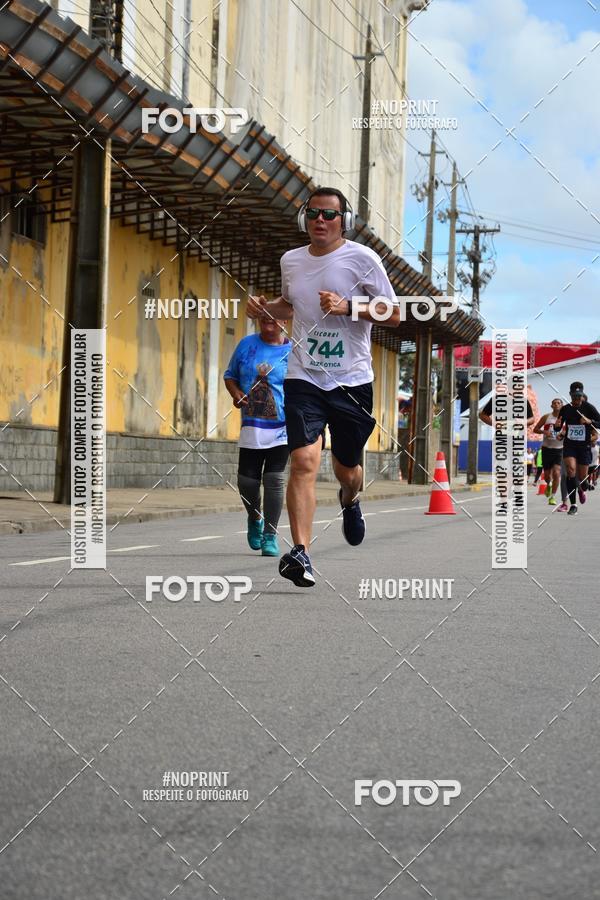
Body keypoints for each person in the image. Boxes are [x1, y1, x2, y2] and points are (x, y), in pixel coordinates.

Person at [247, 186, 400, 587]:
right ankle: (301, 553)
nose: (320, 220)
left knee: (347, 468)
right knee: (303, 462)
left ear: (343, 221)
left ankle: (351, 500)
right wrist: (265, 308)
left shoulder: (363, 259)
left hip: (351, 381)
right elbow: (291, 305)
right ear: (305, 218)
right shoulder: (291, 260)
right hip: (304, 377)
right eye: (314, 213)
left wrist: (349, 306)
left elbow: (394, 312)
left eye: (329, 215)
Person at [224, 316, 291, 556]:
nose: (269, 319)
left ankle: (270, 535)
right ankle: (255, 517)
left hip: (282, 427)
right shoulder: (246, 344)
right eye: (264, 315)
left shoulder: (293, 351)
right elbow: (229, 375)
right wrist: (236, 393)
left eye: (275, 315)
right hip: (252, 425)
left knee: (274, 480)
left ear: (287, 319)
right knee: (247, 483)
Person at [554, 381, 600, 516]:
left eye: (579, 396)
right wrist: (557, 427)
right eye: (574, 397)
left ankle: (581, 488)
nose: (577, 399)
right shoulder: (565, 409)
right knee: (570, 470)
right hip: (570, 445)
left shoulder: (589, 408)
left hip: (584, 447)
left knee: (582, 478)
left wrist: (590, 421)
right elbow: (558, 427)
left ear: (582, 395)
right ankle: (573, 505)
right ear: (570, 395)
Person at [533, 398, 563, 504]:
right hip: (546, 449)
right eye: (554, 403)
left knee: (556, 473)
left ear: (562, 406)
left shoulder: (566, 419)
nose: (556, 404)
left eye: (558, 403)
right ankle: (548, 485)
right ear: (551, 406)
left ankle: (552, 497)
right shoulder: (546, 417)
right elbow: (535, 429)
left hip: (559, 450)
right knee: (546, 476)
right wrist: (544, 432)